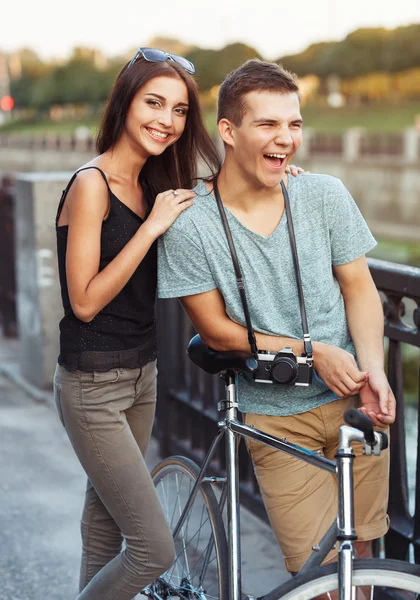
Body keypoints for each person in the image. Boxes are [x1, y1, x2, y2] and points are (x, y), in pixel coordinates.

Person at [157, 59, 396, 574]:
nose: (285, 138)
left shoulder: (323, 193)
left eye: (294, 124)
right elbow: (216, 330)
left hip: (355, 398)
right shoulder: (190, 224)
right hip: (275, 416)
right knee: (321, 578)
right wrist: (310, 352)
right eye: (267, 124)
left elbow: (360, 288)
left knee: (365, 560)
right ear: (229, 130)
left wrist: (373, 369)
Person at [53, 48, 223, 600]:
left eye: (178, 111)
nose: (166, 121)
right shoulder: (91, 184)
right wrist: (149, 229)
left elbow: (225, 195)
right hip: (92, 385)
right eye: (154, 103)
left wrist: (278, 170)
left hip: (141, 377)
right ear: (126, 102)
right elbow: (83, 301)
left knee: (104, 529)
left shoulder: (155, 184)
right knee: (154, 547)